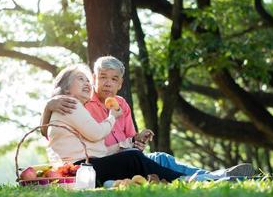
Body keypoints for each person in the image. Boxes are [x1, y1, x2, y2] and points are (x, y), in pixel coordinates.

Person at [41, 56, 255, 181]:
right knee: (141, 159)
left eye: (113, 79)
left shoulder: (121, 105)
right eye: (101, 78)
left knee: (160, 157)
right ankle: (211, 178)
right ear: (95, 79)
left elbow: (123, 142)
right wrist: (49, 105)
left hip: (113, 157)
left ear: (120, 84)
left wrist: (136, 140)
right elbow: (56, 131)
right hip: (99, 165)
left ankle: (213, 176)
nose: (107, 83)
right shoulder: (82, 104)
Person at [44, 64, 185, 186]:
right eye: (81, 79)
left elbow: (100, 150)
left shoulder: (71, 107)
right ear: (66, 88)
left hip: (82, 168)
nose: (87, 83)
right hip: (78, 169)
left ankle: (179, 177)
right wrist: (112, 117)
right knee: (133, 159)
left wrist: (131, 142)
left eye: (87, 80)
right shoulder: (70, 104)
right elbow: (97, 134)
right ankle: (181, 179)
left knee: (134, 155)